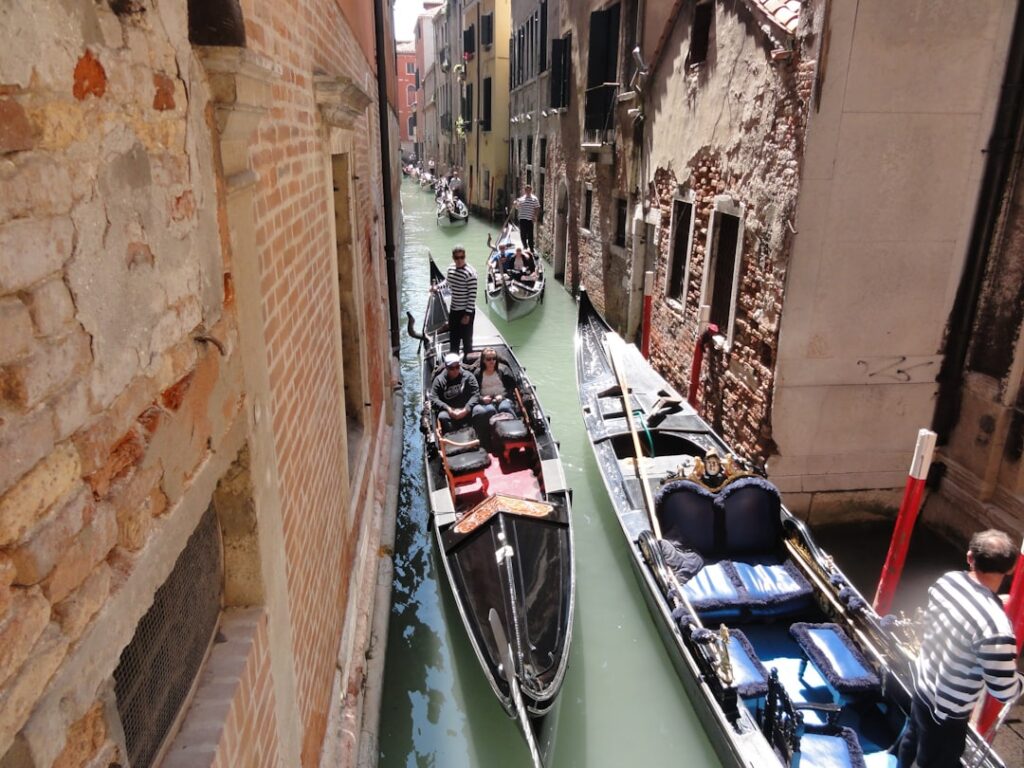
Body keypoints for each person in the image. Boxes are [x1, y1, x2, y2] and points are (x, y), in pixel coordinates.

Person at [898, 529, 1022, 768]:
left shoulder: (948, 581)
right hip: (948, 712)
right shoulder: (996, 627)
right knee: (936, 762)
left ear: (969, 557)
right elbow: (1004, 690)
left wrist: (994, 602)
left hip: (923, 685)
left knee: (911, 738)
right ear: (1011, 569)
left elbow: (965, 611)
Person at [430, 352, 484, 433]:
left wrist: (466, 409)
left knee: (480, 410)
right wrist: (448, 409)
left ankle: (478, 436)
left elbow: (475, 394)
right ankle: (453, 436)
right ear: (446, 367)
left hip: (466, 409)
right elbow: (433, 399)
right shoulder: (439, 380)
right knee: (442, 416)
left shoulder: (468, 376)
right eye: (452, 368)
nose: (455, 370)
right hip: (450, 412)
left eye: (457, 367)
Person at [438, 245, 477, 357]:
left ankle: (468, 364)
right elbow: (447, 283)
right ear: (453, 258)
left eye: (462, 257)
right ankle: (453, 365)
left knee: (467, 342)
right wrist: (437, 288)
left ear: (465, 257)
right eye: (457, 258)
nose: (459, 260)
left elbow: (472, 295)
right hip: (454, 310)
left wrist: (467, 315)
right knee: (453, 340)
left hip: (465, 312)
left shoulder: (470, 273)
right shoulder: (450, 269)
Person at [473, 347, 518, 442]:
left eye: (494, 358)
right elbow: (473, 392)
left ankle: (513, 433)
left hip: (503, 398)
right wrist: (482, 399)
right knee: (489, 410)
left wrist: (503, 396)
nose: (492, 361)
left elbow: (512, 387)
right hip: (485, 401)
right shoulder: (477, 373)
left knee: (504, 408)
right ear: (483, 360)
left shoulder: (503, 370)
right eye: (488, 359)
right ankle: (489, 437)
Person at [514, 184, 540, 251]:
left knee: (530, 235)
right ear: (524, 191)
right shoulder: (521, 199)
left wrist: (535, 217)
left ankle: (531, 249)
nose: (527, 191)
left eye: (529, 190)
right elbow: (517, 207)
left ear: (531, 190)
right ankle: (525, 246)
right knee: (523, 234)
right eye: (526, 190)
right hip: (522, 218)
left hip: (530, 219)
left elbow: (537, 208)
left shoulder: (534, 199)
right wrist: (515, 204)